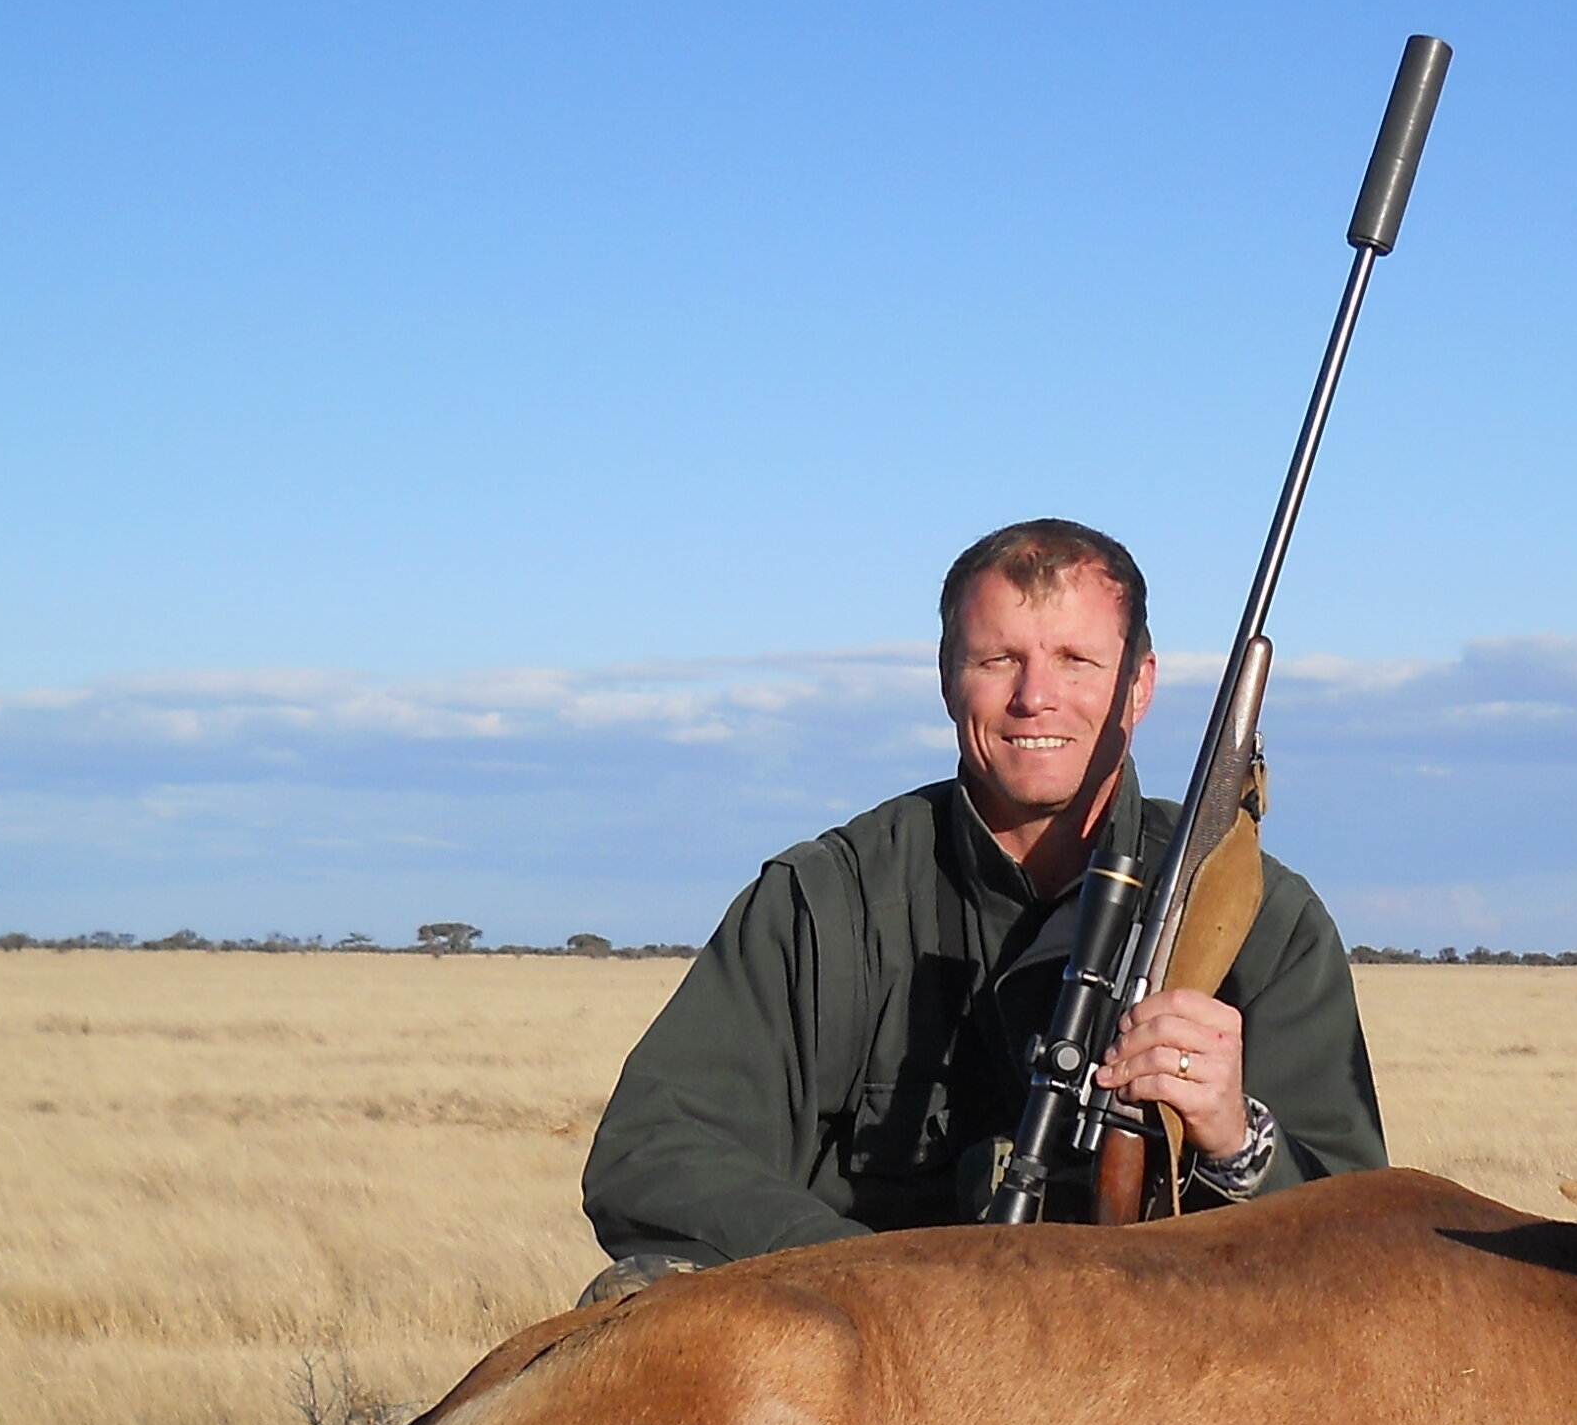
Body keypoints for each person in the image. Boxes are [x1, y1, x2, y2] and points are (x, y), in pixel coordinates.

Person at [578, 518, 1385, 1296]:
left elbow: (1370, 1248)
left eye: (1077, 660)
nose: (1036, 697)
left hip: (1169, 1388)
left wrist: (1236, 1143)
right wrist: (906, 1296)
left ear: (1138, 686)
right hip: (875, 1381)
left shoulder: (1261, 919)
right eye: (999, 659)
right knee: (637, 1297)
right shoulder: (830, 898)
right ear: (946, 676)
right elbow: (656, 1152)